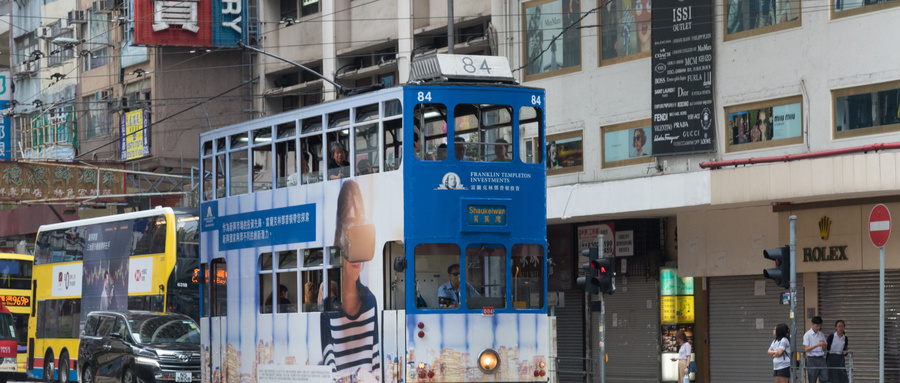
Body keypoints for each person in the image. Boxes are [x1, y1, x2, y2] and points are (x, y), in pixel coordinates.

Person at [320, 180, 380, 382]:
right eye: (349, 225)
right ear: (340, 236)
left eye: (360, 226)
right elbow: (330, 372)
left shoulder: (370, 301)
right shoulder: (328, 303)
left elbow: (377, 367)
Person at [804, 316, 829, 383]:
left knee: (825, 378)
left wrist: (824, 345)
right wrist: (817, 345)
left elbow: (824, 349)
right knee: (812, 379)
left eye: (820, 326)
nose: (818, 328)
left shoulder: (821, 334)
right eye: (817, 326)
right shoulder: (807, 335)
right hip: (812, 359)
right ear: (812, 324)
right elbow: (806, 348)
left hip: (821, 358)